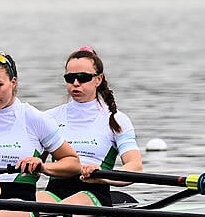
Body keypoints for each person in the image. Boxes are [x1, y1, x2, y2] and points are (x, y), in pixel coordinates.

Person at [0, 51, 81, 217]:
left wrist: (43, 167)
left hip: (21, 204)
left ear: (13, 82)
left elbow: (73, 163)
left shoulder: (34, 118)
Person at [39, 46, 143, 207]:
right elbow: (35, 160)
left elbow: (135, 166)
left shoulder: (116, 120)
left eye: (83, 77)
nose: (75, 83)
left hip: (94, 191)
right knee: (34, 202)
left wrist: (103, 176)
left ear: (98, 79)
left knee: (68, 207)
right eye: (70, 78)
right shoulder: (49, 118)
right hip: (54, 191)